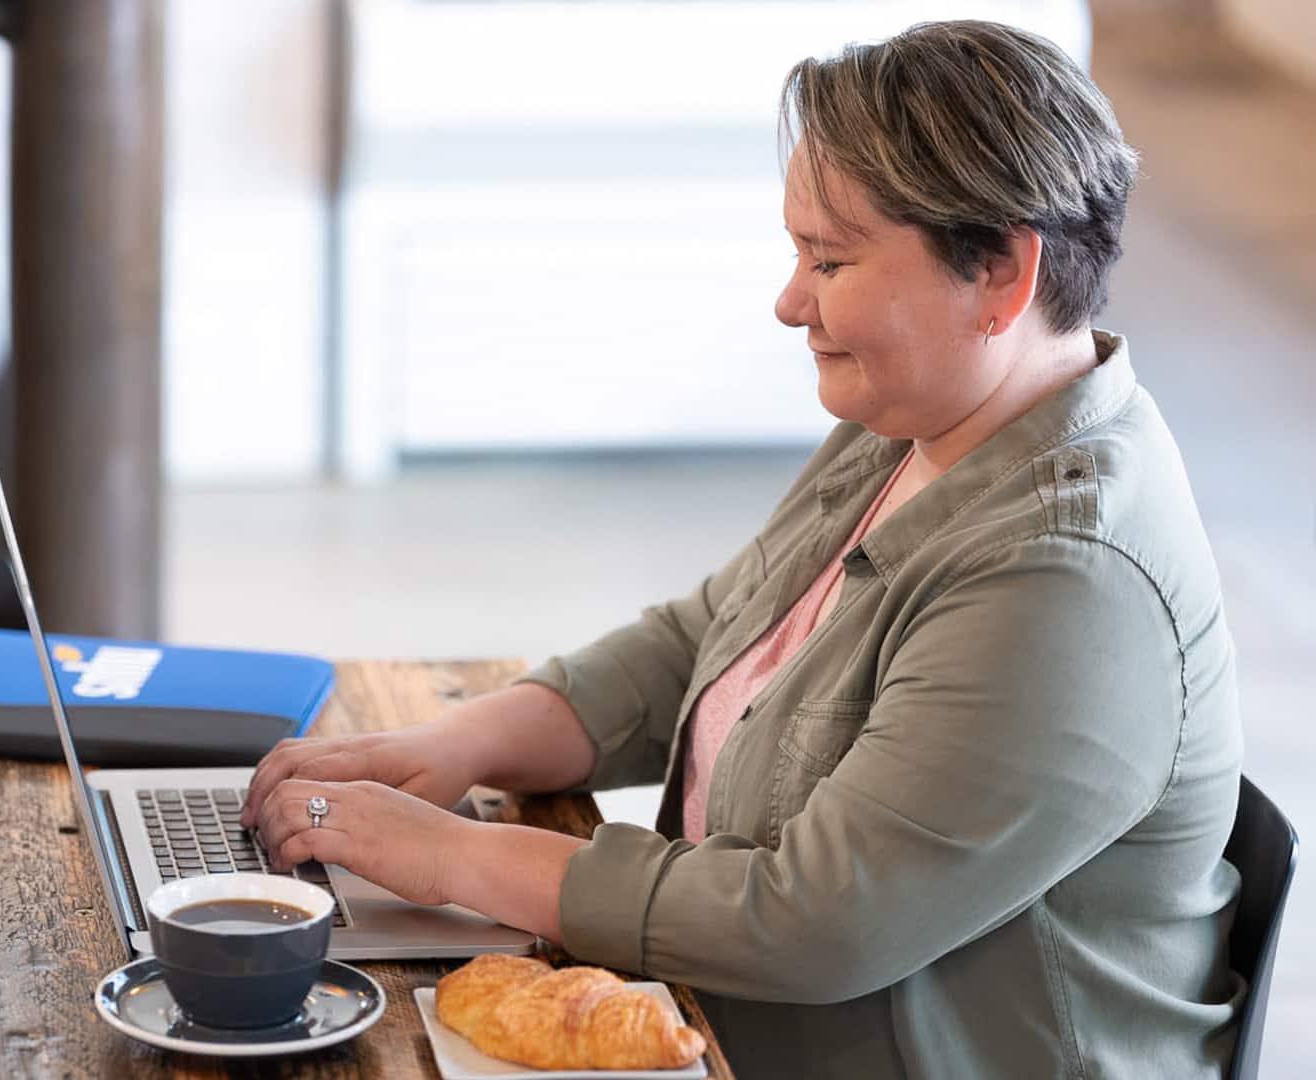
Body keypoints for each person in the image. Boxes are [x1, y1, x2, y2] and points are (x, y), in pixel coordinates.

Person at [238, 19, 1244, 1078]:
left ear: (1000, 271)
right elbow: (713, 633)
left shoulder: (1068, 582)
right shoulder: (923, 418)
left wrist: (452, 855)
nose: (790, 301)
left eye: (831, 259)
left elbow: (815, 921)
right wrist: (461, 745)